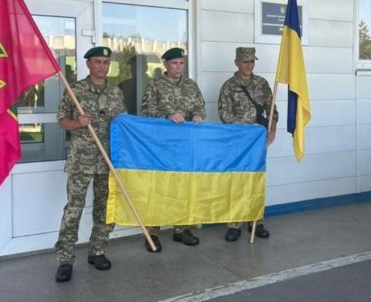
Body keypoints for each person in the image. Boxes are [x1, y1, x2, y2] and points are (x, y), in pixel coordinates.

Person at [54, 46, 126, 283]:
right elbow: (61, 121)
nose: (102, 66)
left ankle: (97, 250)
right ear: (88, 64)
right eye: (98, 62)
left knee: (104, 208)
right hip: (81, 160)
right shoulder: (75, 90)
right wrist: (78, 123)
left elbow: (123, 124)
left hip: (107, 160)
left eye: (106, 62)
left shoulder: (116, 93)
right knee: (73, 210)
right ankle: (65, 259)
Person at [140, 47, 206, 252]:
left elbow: (200, 107)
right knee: (158, 188)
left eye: (181, 63)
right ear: (165, 64)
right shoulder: (155, 86)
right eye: (174, 63)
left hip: (185, 146)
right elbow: (146, 112)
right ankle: (152, 233)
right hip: (161, 146)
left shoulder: (191, 85)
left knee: (183, 187)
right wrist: (167, 116)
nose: (179, 67)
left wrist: (198, 115)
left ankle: (182, 229)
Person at [217, 47, 277, 242]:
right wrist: (246, 127)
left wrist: (272, 128)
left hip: (257, 142)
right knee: (237, 181)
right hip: (237, 141)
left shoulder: (261, 83)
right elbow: (224, 114)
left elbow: (272, 108)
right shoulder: (229, 86)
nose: (249, 65)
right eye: (245, 61)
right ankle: (234, 224)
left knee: (256, 180)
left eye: (252, 61)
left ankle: (256, 221)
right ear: (236, 62)